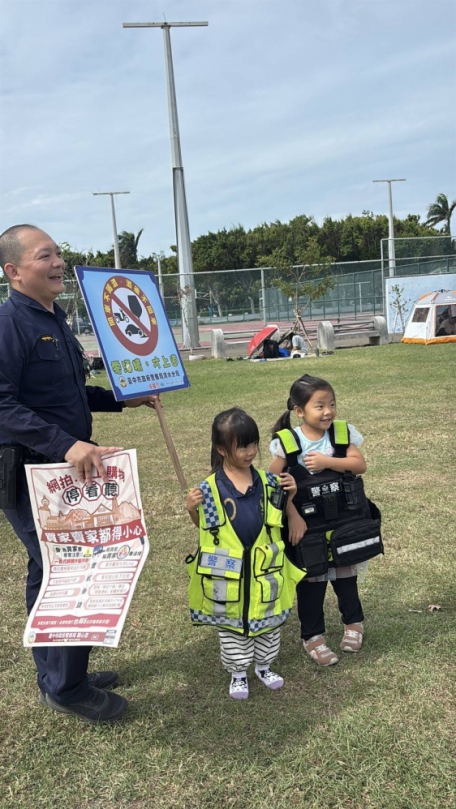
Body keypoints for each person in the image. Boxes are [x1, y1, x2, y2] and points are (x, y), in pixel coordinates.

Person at [0, 224, 157, 724]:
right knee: (70, 569)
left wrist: (121, 398)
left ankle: (59, 673)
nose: (58, 263)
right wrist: (65, 444)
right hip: (29, 472)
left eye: (59, 254)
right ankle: (66, 688)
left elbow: (68, 396)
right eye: (45, 255)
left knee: (48, 569)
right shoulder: (8, 325)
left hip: (63, 471)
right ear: (14, 271)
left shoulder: (55, 320)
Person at [186, 407, 304, 699]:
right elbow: (206, 529)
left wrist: (290, 494)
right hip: (228, 581)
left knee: (270, 627)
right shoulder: (208, 489)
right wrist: (191, 509)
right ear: (221, 449)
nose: (251, 452)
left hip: (266, 575)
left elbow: (277, 518)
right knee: (231, 632)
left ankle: (264, 667)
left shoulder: (269, 482)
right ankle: (238, 673)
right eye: (242, 446)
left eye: (253, 444)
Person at [269, 374, 368, 667]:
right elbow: (274, 482)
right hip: (308, 527)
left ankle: (354, 624)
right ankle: (312, 636)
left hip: (343, 523)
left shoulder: (341, 434)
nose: (328, 412)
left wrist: (327, 462)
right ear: (299, 411)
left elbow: (359, 464)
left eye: (332, 404)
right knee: (312, 581)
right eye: (319, 406)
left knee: (347, 575)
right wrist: (292, 514)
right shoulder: (287, 442)